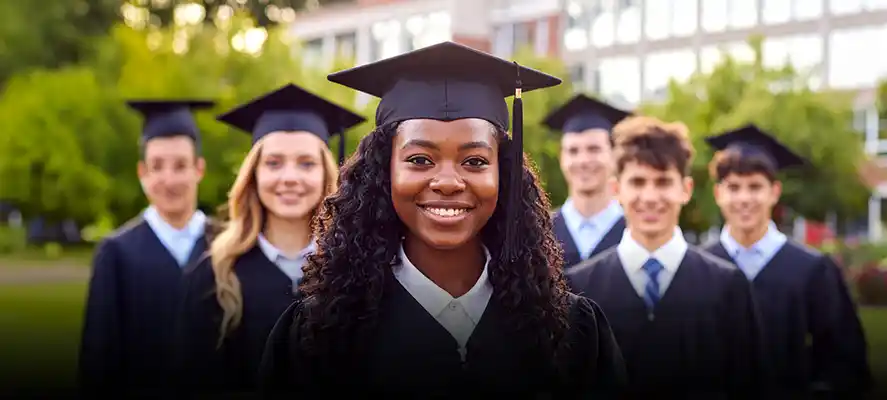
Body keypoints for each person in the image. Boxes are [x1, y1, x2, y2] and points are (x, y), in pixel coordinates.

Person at [259, 41, 627, 397]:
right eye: (420, 159)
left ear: (505, 173)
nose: (449, 182)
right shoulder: (316, 335)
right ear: (383, 172)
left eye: (475, 161)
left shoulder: (572, 332)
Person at [173, 83, 365, 395]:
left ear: (326, 175)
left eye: (306, 163)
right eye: (274, 163)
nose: (289, 177)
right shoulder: (214, 277)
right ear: (254, 175)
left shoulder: (354, 272)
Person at [566, 115, 768, 397]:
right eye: (637, 181)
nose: (650, 196)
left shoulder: (728, 287)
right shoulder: (579, 288)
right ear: (617, 190)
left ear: (685, 190)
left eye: (663, 182)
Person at [701, 124, 872, 398]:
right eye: (734, 187)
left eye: (755, 187)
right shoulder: (697, 268)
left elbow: (845, 363)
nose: (744, 198)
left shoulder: (812, 270)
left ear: (775, 192)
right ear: (718, 193)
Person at [78, 99, 216, 395]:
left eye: (180, 165)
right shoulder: (115, 252)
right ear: (142, 173)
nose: (169, 179)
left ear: (199, 169)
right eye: (157, 166)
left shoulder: (227, 244)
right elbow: (98, 361)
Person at [543, 94, 630, 269]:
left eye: (594, 149)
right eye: (573, 151)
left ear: (615, 155)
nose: (583, 161)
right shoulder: (540, 233)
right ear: (562, 158)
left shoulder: (634, 232)